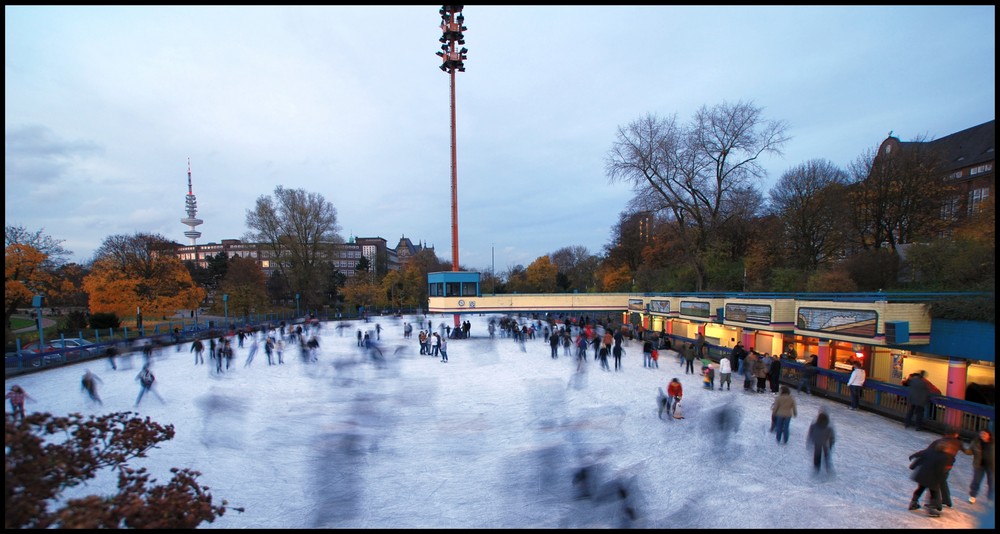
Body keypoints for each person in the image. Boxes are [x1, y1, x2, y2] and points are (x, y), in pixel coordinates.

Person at [909, 435, 961, 516]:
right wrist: (940, 479)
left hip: (922, 475)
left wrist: (913, 466)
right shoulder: (944, 457)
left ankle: (913, 502)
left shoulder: (930, 451)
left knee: (920, 489)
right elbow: (940, 470)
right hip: (931, 478)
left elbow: (920, 457)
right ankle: (931, 509)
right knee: (934, 493)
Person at [961, 429, 994, 504]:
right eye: (981, 434)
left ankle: (990, 499)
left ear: (989, 435)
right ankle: (973, 496)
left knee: (992, 483)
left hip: (991, 467)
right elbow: (970, 451)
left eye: (984, 434)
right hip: (979, 465)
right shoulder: (976, 442)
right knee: (976, 481)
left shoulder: (993, 443)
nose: (982, 436)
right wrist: (962, 448)